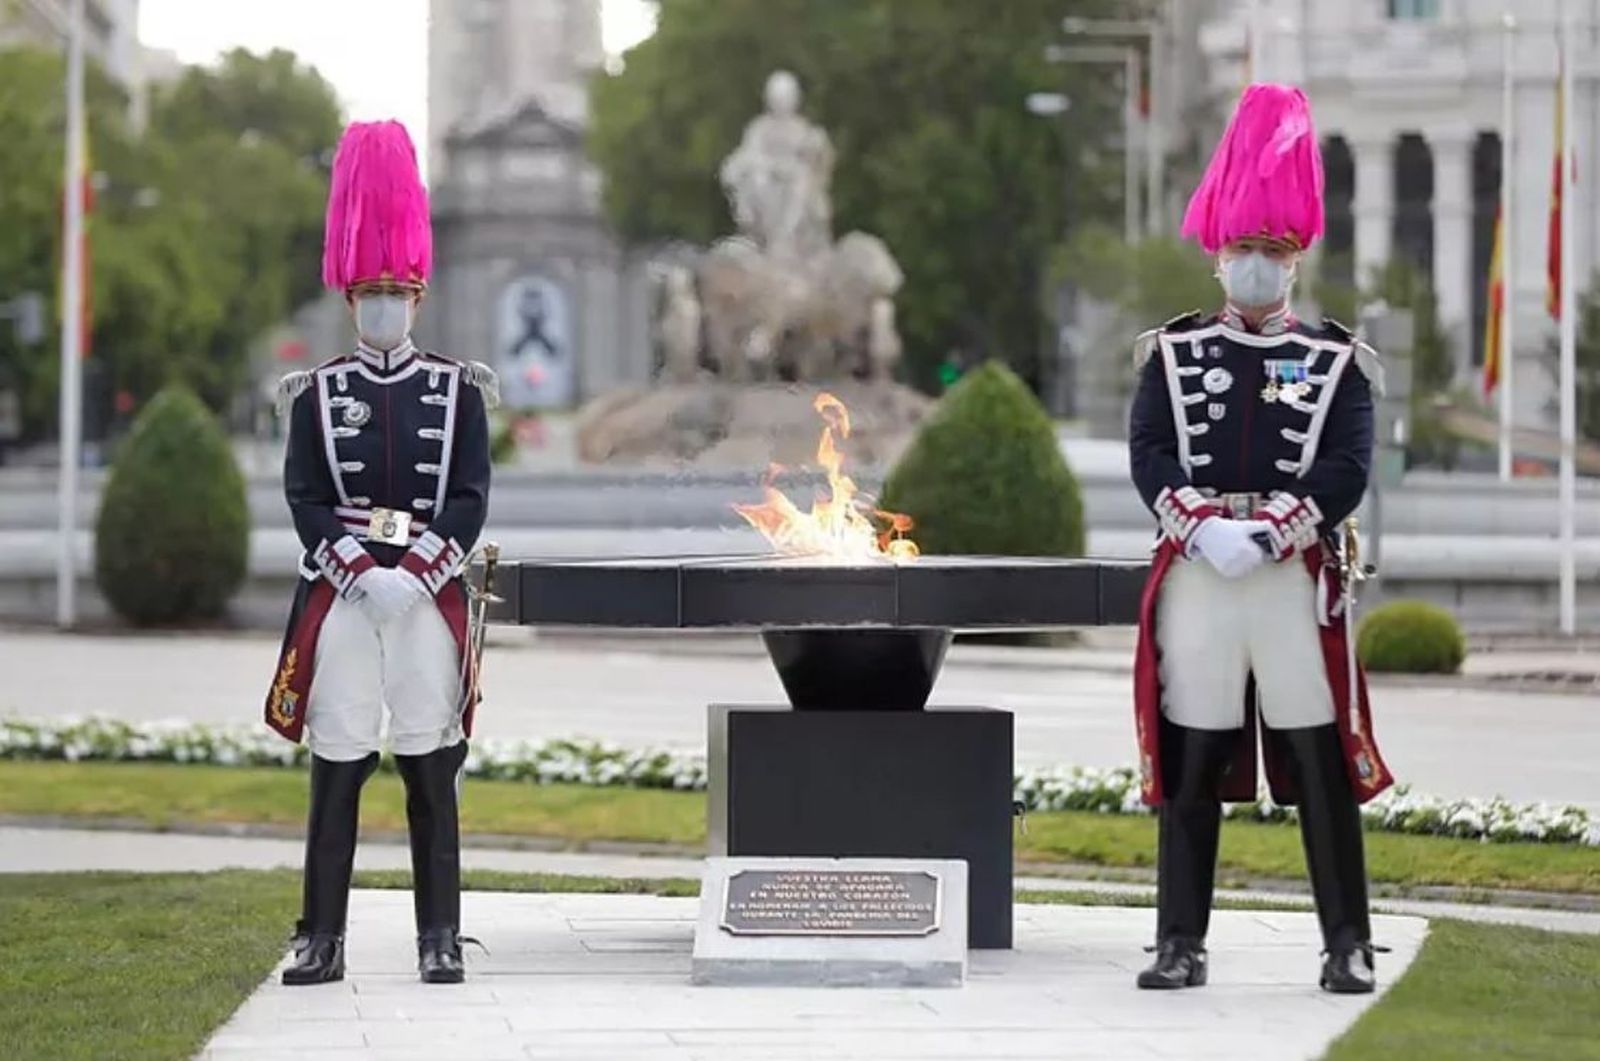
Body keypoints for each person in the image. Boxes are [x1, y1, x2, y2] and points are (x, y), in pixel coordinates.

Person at [1127, 83, 1394, 995]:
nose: (1255, 266)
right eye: (1243, 249)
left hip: (1289, 576)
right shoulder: (1172, 355)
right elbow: (1150, 453)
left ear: (1295, 261)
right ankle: (1178, 941)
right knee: (1191, 755)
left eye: (1272, 252)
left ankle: (1347, 942)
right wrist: (1203, 528)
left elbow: (1346, 467)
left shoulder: (1336, 361)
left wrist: (1275, 532)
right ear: (1218, 255)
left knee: (1319, 757)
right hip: (1202, 572)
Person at [262, 119, 497, 986]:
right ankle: (321, 937)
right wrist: (361, 573)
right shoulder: (315, 394)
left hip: (425, 597)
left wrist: (419, 574)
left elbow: (468, 497)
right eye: (371, 293)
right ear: (351, 299)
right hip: (349, 596)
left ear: (419, 298)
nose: (385, 307)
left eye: (398, 293)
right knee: (338, 760)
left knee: (431, 765)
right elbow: (305, 497)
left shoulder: (458, 390)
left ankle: (440, 935)